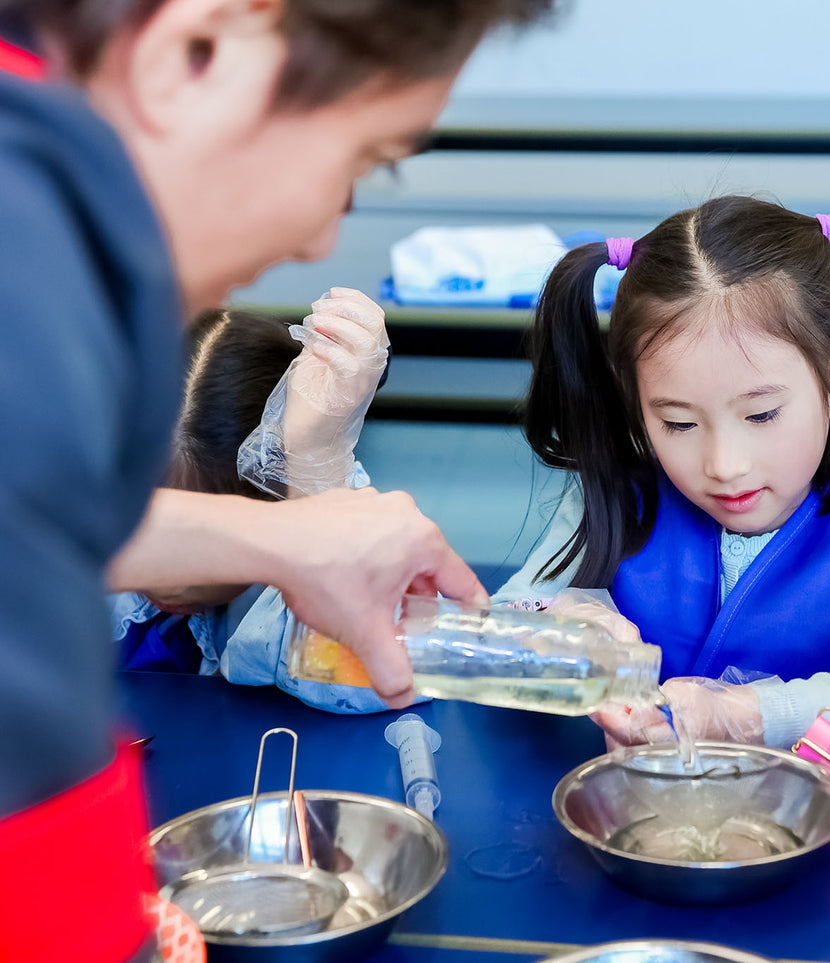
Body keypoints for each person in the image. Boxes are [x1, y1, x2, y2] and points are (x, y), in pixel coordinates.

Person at [0, 1, 552, 959]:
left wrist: (280, 534)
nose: (316, 238)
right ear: (194, 53)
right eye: (364, 159)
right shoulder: (28, 274)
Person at [497, 196, 830, 750]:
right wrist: (563, 624)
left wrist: (746, 716)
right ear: (635, 397)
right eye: (678, 423)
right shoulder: (616, 498)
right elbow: (496, 627)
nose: (724, 466)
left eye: (762, 414)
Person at [111, 291, 402, 712]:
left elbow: (373, 681)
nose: (167, 582)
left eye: (203, 543)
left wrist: (314, 462)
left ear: (277, 498)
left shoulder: (323, 498)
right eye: (148, 518)